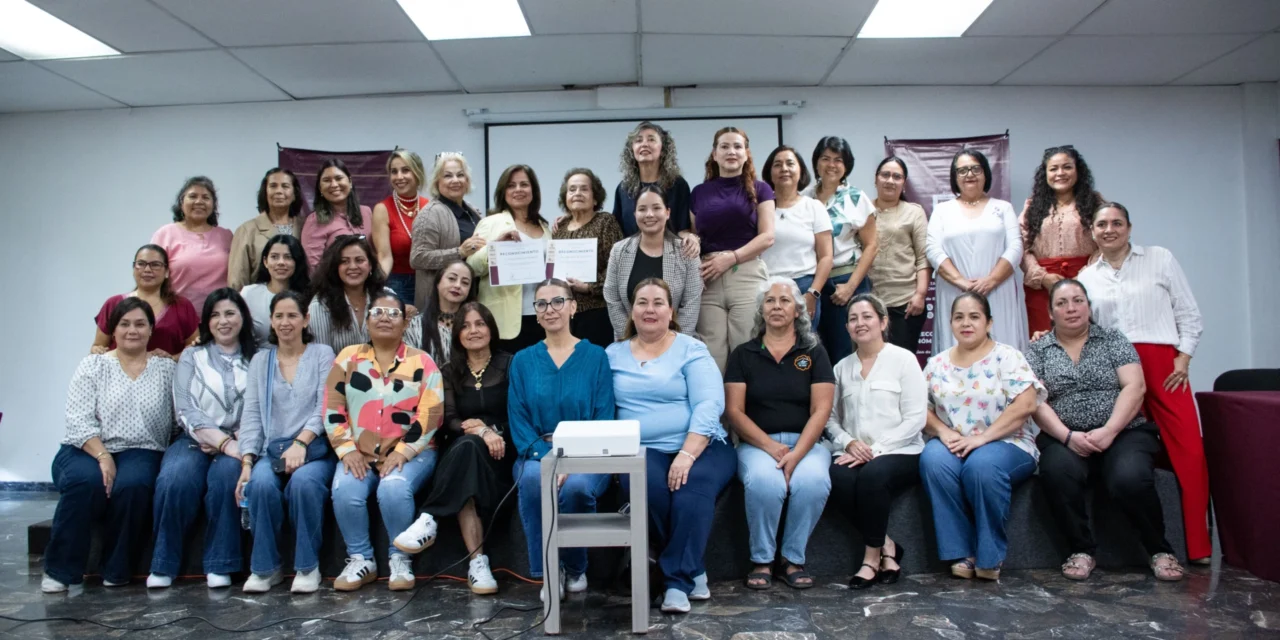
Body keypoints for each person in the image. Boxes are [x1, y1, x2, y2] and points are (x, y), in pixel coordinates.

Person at [1074, 202, 1209, 564]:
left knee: (1190, 450)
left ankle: (1198, 546)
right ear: (1092, 232)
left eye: (1117, 223)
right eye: (1101, 224)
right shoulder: (1087, 278)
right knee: (1123, 443)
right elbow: (1085, 328)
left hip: (1165, 365)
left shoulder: (1160, 258)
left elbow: (1188, 313)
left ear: (1129, 228)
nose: (1109, 229)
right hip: (1115, 367)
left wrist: (1184, 356)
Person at [1026, 279, 1184, 582]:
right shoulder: (1038, 349)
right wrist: (1068, 437)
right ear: (1050, 312)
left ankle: (1159, 550)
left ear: (1089, 306)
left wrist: (1110, 430)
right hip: (1064, 435)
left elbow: (1134, 387)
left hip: (1123, 431)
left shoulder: (1113, 339)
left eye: (1078, 300)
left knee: (1129, 478)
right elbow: (1035, 400)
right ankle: (1081, 549)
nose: (1071, 308)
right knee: (1056, 471)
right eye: (1061, 303)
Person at [607, 278, 733, 613]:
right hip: (641, 450)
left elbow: (709, 404)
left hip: (702, 445)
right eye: (642, 302)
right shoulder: (612, 354)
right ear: (631, 311)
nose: (650, 309)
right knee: (647, 488)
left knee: (692, 490)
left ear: (671, 311)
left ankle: (676, 581)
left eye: (658, 302)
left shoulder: (691, 349)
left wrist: (687, 454)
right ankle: (694, 568)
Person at [42, 298, 175, 593]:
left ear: (151, 330)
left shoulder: (166, 369)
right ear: (112, 330)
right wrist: (103, 457)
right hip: (85, 447)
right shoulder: (93, 365)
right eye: (124, 324)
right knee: (84, 482)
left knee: (134, 485)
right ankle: (61, 571)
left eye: (140, 324)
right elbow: (77, 420)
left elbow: (178, 420)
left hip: (142, 449)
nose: (132, 330)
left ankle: (116, 568)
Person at [919, 292, 1044, 581]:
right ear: (950, 323)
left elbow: (1026, 404)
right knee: (933, 459)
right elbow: (921, 410)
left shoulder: (1007, 356)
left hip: (1007, 443)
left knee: (982, 466)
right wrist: (943, 431)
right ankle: (961, 551)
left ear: (989, 322)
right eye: (959, 317)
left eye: (974, 316)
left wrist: (982, 438)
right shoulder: (936, 364)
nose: (966, 323)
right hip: (954, 441)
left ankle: (990, 556)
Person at [326, 291, 443, 592]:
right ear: (366, 321)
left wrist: (403, 452)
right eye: (377, 312)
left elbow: (431, 413)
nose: (384, 318)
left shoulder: (423, 362)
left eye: (393, 314)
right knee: (345, 488)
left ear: (405, 323)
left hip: (413, 452)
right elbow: (332, 407)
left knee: (394, 487)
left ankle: (400, 558)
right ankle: (361, 558)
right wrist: (346, 449)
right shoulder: (347, 359)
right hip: (359, 452)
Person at [394, 302, 513, 595]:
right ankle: (478, 565)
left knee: (467, 452)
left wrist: (490, 432)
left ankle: (429, 518)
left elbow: (518, 414)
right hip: (464, 449)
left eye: (480, 324)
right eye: (465, 325)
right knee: (468, 449)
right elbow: (448, 420)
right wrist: (479, 432)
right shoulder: (448, 371)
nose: (473, 331)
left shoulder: (511, 364)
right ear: (457, 334)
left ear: (491, 329)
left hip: (501, 453)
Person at [724, 277, 835, 591]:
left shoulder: (813, 352)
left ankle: (791, 559)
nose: (776, 306)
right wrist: (771, 447)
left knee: (812, 481)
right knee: (764, 482)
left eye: (785, 300)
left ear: (799, 310)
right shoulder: (743, 355)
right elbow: (735, 412)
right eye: (770, 300)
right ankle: (762, 559)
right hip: (758, 446)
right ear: (761, 309)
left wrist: (796, 454)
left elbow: (821, 411)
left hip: (808, 444)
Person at [508, 279, 615, 598]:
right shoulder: (523, 360)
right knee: (533, 480)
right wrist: (548, 457)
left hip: (588, 453)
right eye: (541, 304)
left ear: (573, 306)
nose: (549, 309)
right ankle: (549, 570)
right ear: (536, 315)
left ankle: (575, 567)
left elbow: (603, 416)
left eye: (557, 301)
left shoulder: (596, 356)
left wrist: (572, 457)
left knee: (577, 487)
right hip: (536, 451)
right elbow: (519, 420)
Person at [147, 288, 256, 589]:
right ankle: (163, 564)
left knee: (226, 479)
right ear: (206, 321)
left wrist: (235, 440)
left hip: (239, 441)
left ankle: (221, 563)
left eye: (230, 313)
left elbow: (261, 406)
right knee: (175, 479)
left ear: (243, 318)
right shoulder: (191, 356)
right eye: (215, 315)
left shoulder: (258, 358)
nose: (223, 321)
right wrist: (222, 441)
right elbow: (184, 407)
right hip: (195, 439)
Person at [236, 290, 337, 594]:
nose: (285, 322)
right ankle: (266, 569)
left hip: (314, 451)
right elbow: (251, 414)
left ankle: (307, 566)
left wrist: (302, 443)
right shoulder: (260, 361)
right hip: (273, 450)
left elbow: (327, 406)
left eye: (292, 315)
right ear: (271, 320)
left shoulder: (322, 354)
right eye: (279, 316)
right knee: (260, 485)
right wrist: (247, 462)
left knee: (304, 484)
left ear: (306, 319)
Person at [824, 293, 926, 589]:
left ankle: (870, 559)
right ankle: (888, 546)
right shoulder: (841, 368)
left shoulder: (903, 360)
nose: (860, 323)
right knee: (835, 478)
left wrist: (875, 451)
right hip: (855, 450)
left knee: (872, 475)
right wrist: (848, 442)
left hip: (901, 450)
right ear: (846, 328)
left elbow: (915, 418)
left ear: (883, 322)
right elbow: (830, 419)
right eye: (853, 319)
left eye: (867, 317)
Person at [691, 127, 777, 372]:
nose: (731, 152)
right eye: (725, 146)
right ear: (714, 154)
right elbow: (695, 234)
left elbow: (768, 237)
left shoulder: (761, 189)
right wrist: (689, 236)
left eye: (737, 147)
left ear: (746, 153)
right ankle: (717, 411)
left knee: (747, 348)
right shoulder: (699, 193)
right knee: (711, 354)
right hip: (708, 277)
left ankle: (748, 410)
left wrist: (732, 258)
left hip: (746, 273)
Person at [926, 149, 1027, 353]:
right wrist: (962, 282)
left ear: (985, 174)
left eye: (975, 169)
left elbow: (1015, 248)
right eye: (962, 170)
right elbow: (932, 249)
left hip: (997, 290)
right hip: (954, 290)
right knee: (957, 349)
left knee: (1000, 347)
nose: (969, 174)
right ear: (954, 177)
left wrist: (990, 281)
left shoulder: (1003, 208)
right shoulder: (942, 211)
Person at [801, 136, 879, 364]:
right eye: (825, 158)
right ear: (816, 163)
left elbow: (872, 246)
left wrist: (850, 287)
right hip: (812, 283)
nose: (831, 165)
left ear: (846, 166)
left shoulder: (856, 197)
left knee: (845, 354)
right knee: (813, 351)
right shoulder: (805, 198)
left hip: (844, 283)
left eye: (838, 160)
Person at [466, 164, 552, 354]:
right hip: (504, 320)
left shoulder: (545, 227)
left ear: (533, 190)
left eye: (524, 184)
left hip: (542, 316)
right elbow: (471, 268)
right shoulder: (490, 223)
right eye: (511, 185)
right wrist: (495, 247)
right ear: (503, 191)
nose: (518, 190)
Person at [1020, 146, 1102, 336]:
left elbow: (1104, 244)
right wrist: (1042, 277)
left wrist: (1083, 277)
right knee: (1044, 342)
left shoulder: (1094, 202)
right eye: (1053, 169)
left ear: (1077, 170)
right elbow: (1022, 247)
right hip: (1043, 287)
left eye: (1067, 167)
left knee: (1087, 340)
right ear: (1045, 173)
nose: (1060, 173)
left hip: (1086, 282)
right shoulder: (1033, 206)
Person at [603, 185, 702, 340]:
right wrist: (632, 340)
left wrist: (672, 343)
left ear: (667, 212)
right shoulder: (619, 251)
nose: (649, 214)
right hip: (628, 343)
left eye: (656, 208)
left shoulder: (686, 251)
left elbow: (691, 304)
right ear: (635, 214)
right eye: (642, 209)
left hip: (675, 344)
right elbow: (612, 299)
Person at [760, 145, 832, 332]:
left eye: (790, 163)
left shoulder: (814, 207)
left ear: (800, 171)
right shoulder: (759, 208)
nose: (784, 168)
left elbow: (826, 257)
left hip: (804, 286)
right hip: (766, 286)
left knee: (804, 348)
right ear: (770, 172)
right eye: (778, 164)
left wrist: (812, 294)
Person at [308, 234, 421, 353]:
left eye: (359, 260)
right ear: (335, 268)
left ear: (371, 265)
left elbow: (401, 344)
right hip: (337, 370)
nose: (353, 266)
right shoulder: (320, 306)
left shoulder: (387, 296)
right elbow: (321, 359)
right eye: (344, 261)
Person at [552, 167, 624, 348]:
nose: (577, 193)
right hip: (563, 315)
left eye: (584, 189)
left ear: (595, 197)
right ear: (565, 197)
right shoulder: (559, 229)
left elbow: (618, 266)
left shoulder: (605, 222)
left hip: (596, 313)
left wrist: (589, 287)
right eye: (572, 189)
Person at [866, 157, 930, 353]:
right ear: (876, 179)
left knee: (902, 363)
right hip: (869, 301)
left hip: (905, 304)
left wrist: (920, 294)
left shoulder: (914, 212)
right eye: (885, 175)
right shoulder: (863, 210)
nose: (890, 180)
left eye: (897, 176)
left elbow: (923, 258)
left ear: (904, 183)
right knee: (870, 360)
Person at [92, 244, 199, 358]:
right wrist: (97, 350)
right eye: (141, 264)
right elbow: (98, 346)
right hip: (119, 374)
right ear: (134, 269)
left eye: (155, 265)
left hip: (170, 374)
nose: (147, 269)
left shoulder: (182, 306)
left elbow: (194, 349)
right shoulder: (113, 304)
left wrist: (170, 359)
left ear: (167, 271)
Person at [411, 151, 485, 310]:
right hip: (439, 305)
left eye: (460, 175)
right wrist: (459, 252)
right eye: (448, 176)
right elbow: (418, 258)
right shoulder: (430, 214)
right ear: (437, 182)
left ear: (467, 180)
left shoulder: (473, 211)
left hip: (471, 299)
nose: (455, 180)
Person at [611, 121, 698, 257]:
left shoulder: (678, 185)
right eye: (638, 140)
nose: (644, 144)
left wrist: (692, 238)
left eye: (651, 139)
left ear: (663, 149)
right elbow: (616, 231)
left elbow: (683, 229)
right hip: (632, 259)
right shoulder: (624, 188)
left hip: (671, 257)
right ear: (631, 149)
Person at [151, 176, 234, 311]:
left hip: (219, 319)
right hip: (176, 316)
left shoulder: (226, 236)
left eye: (206, 198)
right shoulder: (165, 234)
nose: (199, 201)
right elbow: (152, 277)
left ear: (214, 205)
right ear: (181, 202)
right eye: (193, 196)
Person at [228, 168, 305, 290]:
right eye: (273, 186)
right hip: (257, 305)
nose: (279, 191)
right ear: (265, 193)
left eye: (285, 186)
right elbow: (237, 282)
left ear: (294, 194)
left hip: (301, 303)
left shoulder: (306, 227)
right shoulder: (247, 230)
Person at [373, 150, 430, 304]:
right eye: (394, 172)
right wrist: (375, 288)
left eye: (405, 170)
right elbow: (384, 257)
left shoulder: (430, 207)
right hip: (398, 283)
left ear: (417, 172)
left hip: (429, 282)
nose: (399, 177)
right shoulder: (382, 209)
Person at [301, 159, 373, 274]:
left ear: (350, 182)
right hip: (331, 288)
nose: (334, 185)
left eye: (339, 178)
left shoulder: (366, 212)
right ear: (320, 188)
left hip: (367, 287)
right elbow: (313, 268)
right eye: (326, 180)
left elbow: (375, 255)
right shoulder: (314, 221)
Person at [240, 235, 310, 347]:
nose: (281, 262)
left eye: (288, 257)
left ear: (297, 262)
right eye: (274, 257)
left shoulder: (309, 296)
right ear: (265, 261)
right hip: (257, 358)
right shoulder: (248, 294)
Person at [419, 259, 478, 363]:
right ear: (438, 282)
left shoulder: (476, 327)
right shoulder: (415, 325)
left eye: (465, 283)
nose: (457, 286)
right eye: (452, 278)